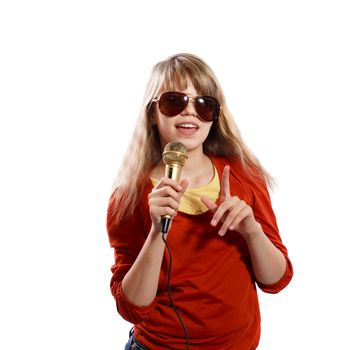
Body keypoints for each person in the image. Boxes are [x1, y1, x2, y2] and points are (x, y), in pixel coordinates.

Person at [106, 53, 293, 350]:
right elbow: (132, 307)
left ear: (215, 116)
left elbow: (276, 280)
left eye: (204, 104)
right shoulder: (128, 197)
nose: (190, 112)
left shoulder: (245, 177)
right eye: (174, 101)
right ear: (153, 114)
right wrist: (157, 232)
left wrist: (252, 231)